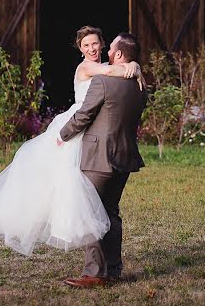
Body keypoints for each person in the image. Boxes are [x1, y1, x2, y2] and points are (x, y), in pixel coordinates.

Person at [0, 25, 142, 257]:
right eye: (85, 45)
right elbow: (110, 74)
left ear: (103, 44)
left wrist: (132, 64)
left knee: (81, 190)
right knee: (67, 185)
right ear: (80, 49)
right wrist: (133, 67)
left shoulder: (107, 65)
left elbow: (113, 72)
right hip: (76, 124)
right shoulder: (87, 67)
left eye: (95, 43)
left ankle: (96, 259)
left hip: (93, 129)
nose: (91, 48)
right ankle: (90, 254)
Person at [58, 32, 147, 288]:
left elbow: (85, 115)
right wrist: (135, 66)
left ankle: (94, 273)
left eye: (110, 49)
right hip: (125, 154)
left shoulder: (102, 81)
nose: (105, 52)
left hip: (99, 156)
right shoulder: (141, 84)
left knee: (87, 211)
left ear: (118, 54)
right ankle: (114, 269)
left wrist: (63, 135)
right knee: (110, 212)